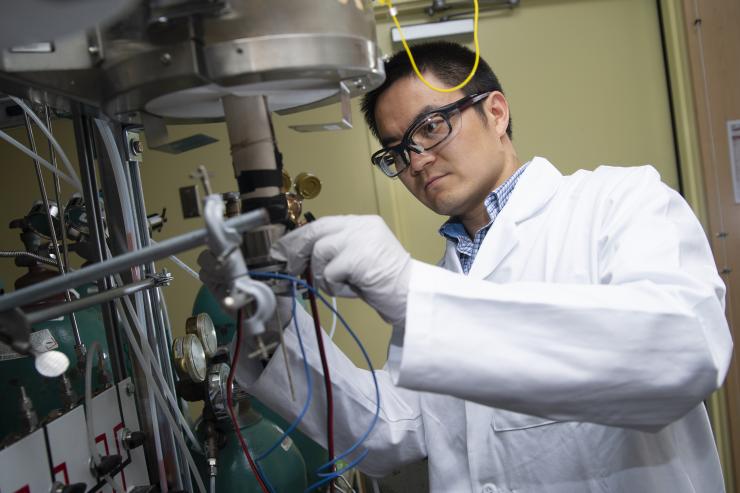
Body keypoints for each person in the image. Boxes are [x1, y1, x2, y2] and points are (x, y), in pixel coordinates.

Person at [201, 41, 733, 492]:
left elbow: (684, 351)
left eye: (430, 127)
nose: (416, 161)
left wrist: (416, 296)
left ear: (495, 112)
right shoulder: (451, 274)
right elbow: (394, 430)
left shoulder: (620, 202)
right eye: (396, 151)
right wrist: (272, 326)